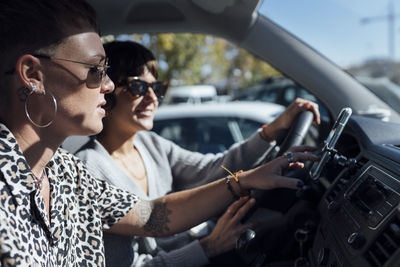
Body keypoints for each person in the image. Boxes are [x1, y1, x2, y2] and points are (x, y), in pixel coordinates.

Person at [0, 0, 319, 266]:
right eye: (95, 71)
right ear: (33, 75)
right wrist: (208, 246)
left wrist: (244, 180)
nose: (108, 85)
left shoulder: (66, 173)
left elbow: (152, 215)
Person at [75, 40, 321, 266]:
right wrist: (208, 247)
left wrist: (270, 133)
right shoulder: (90, 168)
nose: (152, 98)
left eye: (157, 88)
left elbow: (214, 169)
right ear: (106, 90)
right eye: (137, 87)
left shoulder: (150, 144)